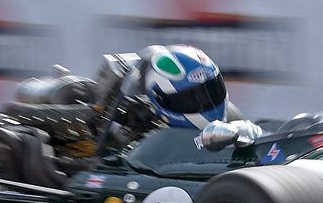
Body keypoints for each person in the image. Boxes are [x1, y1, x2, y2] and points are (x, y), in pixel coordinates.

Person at [95, 44, 259, 150]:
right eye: (189, 98)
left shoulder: (229, 120)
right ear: (160, 101)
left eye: (210, 90)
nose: (205, 102)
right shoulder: (144, 140)